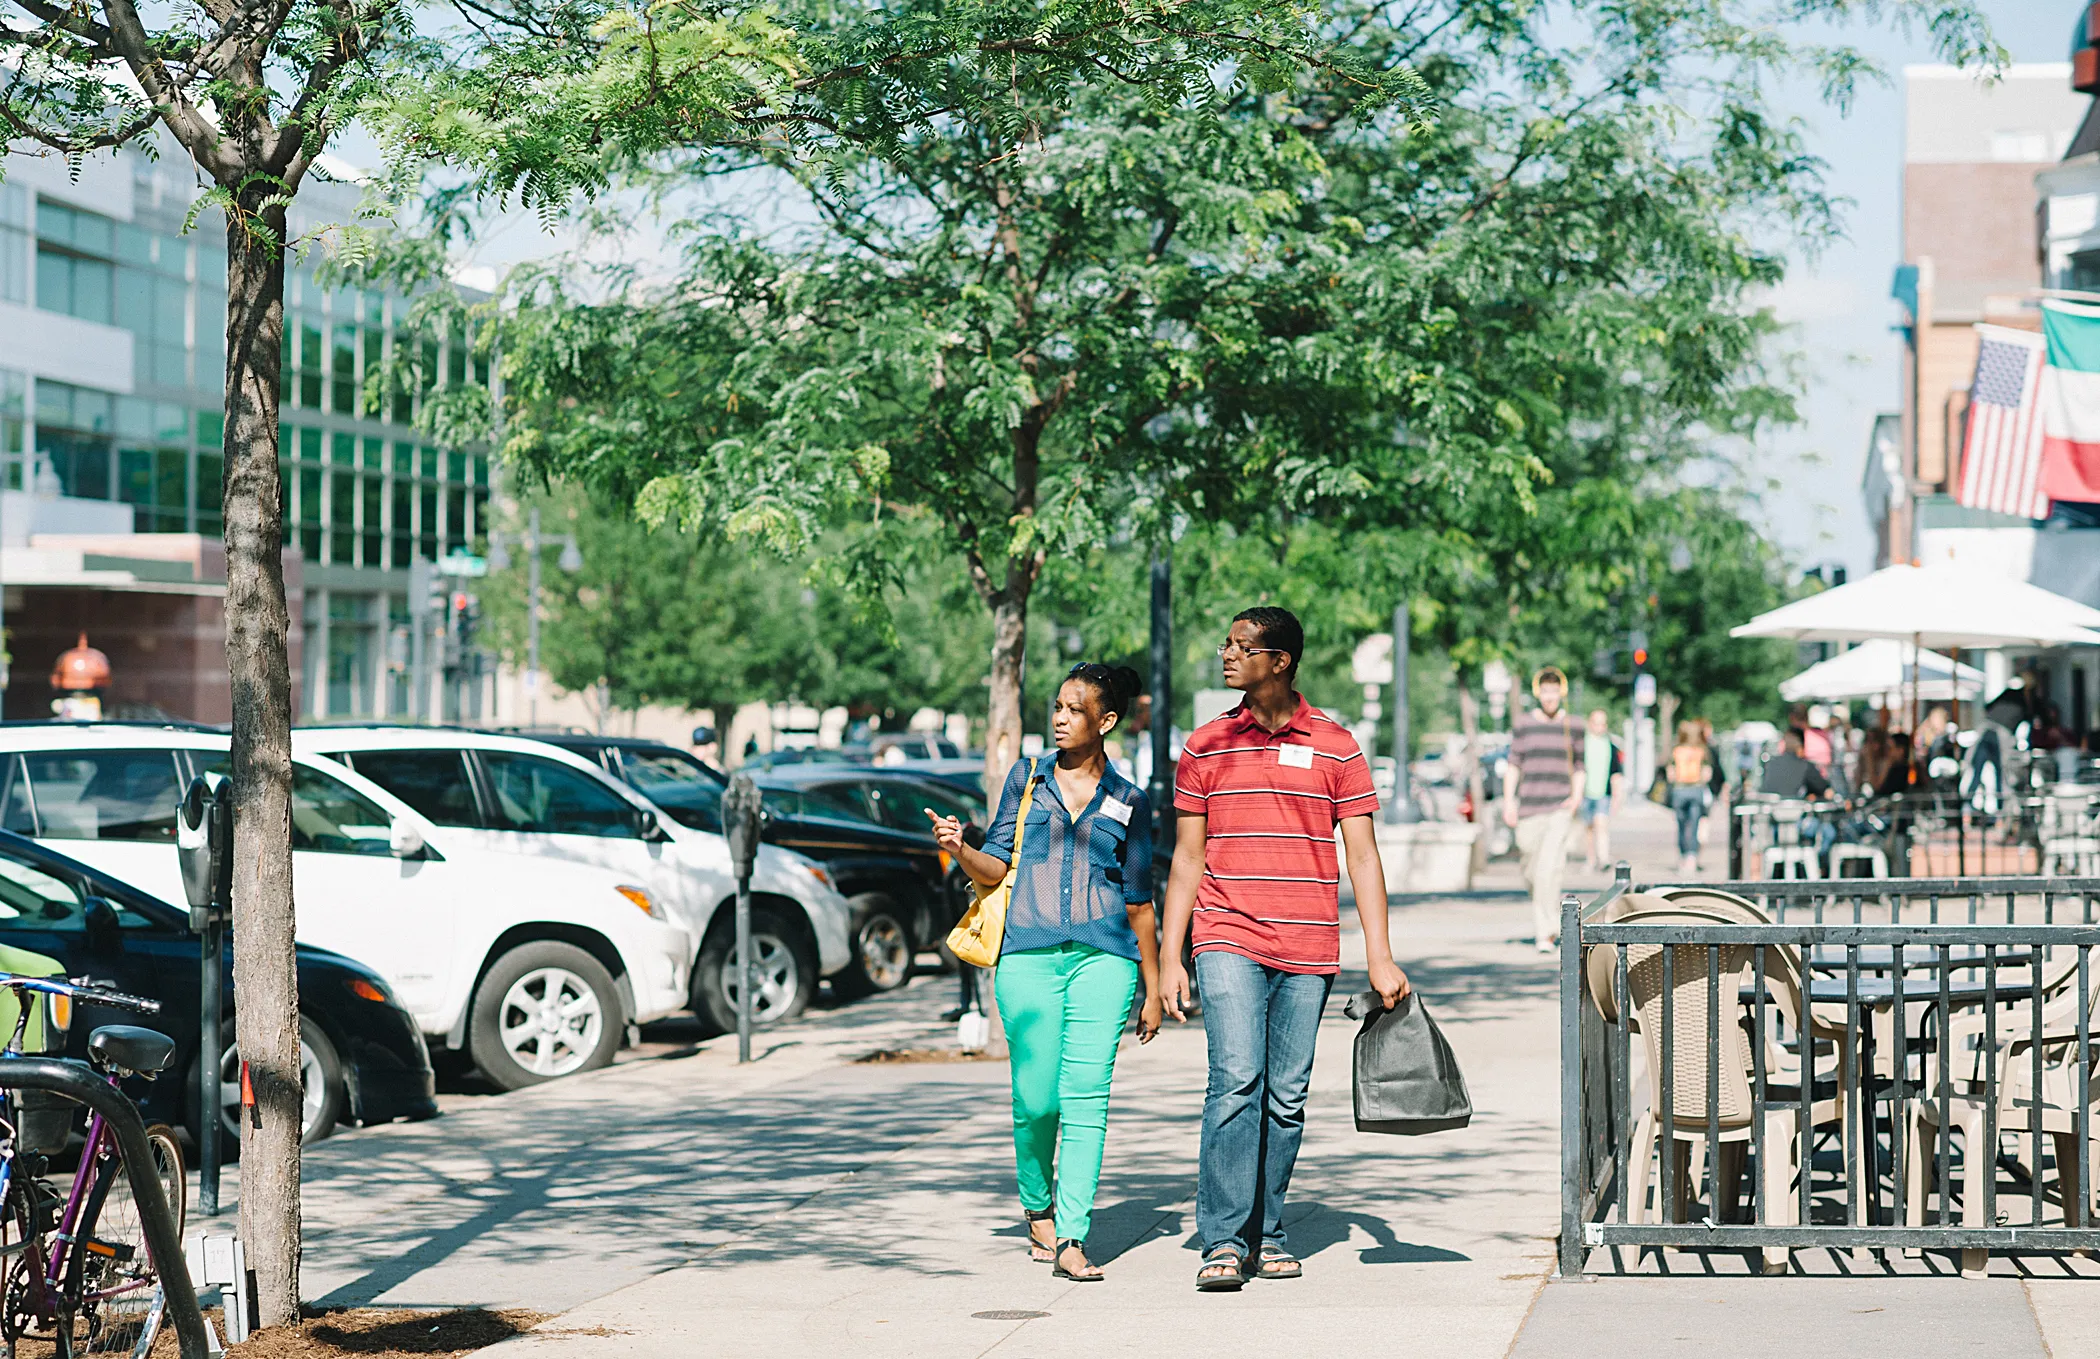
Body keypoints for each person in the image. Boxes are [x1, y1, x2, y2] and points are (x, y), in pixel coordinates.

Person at [1159, 607, 1408, 1293]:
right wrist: (1168, 957)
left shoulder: (1335, 743)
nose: (1227, 655)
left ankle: (1266, 1232)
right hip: (1225, 931)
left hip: (1307, 943)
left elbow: (1362, 854)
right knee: (1236, 1077)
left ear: (1282, 660)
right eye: (1227, 644)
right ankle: (1222, 1239)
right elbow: (1187, 858)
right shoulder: (1206, 743)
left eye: (1243, 646)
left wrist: (1379, 954)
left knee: (1286, 1096)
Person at [928, 663, 1163, 1284]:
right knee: (1037, 1098)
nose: (1058, 718)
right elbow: (995, 867)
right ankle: (1038, 1205)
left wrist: (1155, 985)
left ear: (1105, 722)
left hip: (1106, 958)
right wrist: (959, 848)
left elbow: (1140, 901)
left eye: (1074, 709)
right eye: (1056, 707)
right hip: (1027, 955)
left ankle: (1072, 1235)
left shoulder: (1130, 800)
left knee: (1086, 1096)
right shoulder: (1027, 780)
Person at [1504, 666, 1580, 953]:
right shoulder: (1524, 724)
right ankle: (1545, 921)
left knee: (1550, 869)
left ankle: (1545, 931)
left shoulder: (1573, 725)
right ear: (1538, 693)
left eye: (1554, 690)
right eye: (1545, 690)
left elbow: (1580, 764)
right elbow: (1513, 764)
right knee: (1531, 870)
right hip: (1529, 807)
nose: (1550, 696)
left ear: (1562, 692)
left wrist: (1576, 797)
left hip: (1559, 806)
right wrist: (1509, 801)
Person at [1666, 722, 1712, 875]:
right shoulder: (1701, 751)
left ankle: (1683, 857)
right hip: (1696, 789)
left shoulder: (1676, 751)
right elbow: (1707, 773)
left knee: (1681, 825)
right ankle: (1691, 858)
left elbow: (1670, 774)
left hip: (1679, 790)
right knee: (1693, 825)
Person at [1579, 708, 1622, 870]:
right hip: (1585, 793)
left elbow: (1616, 774)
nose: (1599, 727)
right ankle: (1590, 858)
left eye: (1602, 723)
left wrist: (1617, 796)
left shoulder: (1611, 746)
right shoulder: (1582, 745)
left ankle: (1603, 858)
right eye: (1596, 723)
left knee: (1601, 825)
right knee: (1589, 829)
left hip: (1604, 793)